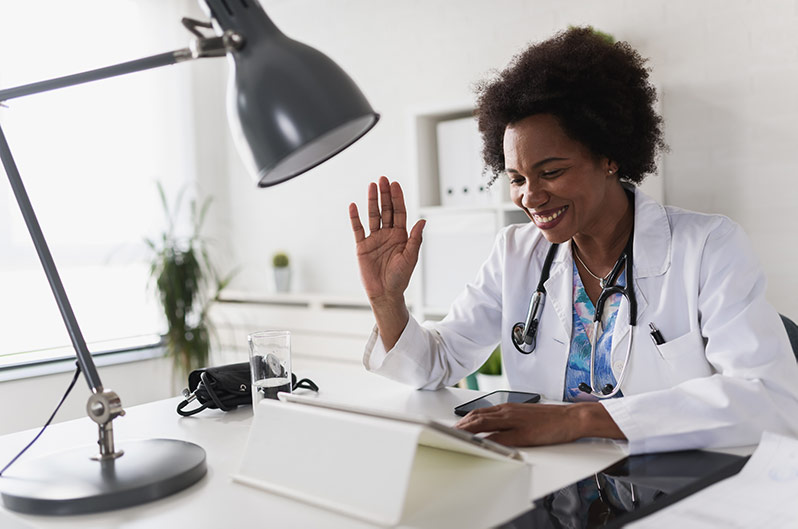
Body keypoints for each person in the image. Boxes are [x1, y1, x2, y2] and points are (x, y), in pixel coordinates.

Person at [347, 27, 798, 453]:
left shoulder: (707, 247)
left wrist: (579, 420)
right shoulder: (515, 253)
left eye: (552, 172)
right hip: (556, 481)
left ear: (609, 157)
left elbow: (769, 397)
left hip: (674, 483)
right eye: (517, 178)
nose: (531, 196)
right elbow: (435, 365)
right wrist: (387, 300)